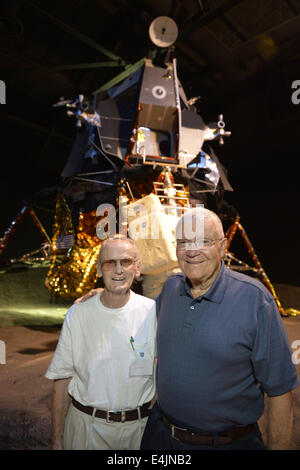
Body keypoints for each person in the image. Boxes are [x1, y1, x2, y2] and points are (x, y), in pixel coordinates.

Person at [140, 207, 299, 450]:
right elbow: (140, 320)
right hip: (161, 438)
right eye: (184, 242)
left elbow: (279, 391)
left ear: (223, 246)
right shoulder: (170, 289)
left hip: (226, 444)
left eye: (203, 241)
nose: (192, 251)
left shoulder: (255, 300)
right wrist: (107, 295)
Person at [45, 236, 157, 450]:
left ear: (138, 267)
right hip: (86, 431)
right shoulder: (78, 315)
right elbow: (62, 380)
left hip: (139, 434)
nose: (118, 270)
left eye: (126, 262)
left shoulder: (153, 312)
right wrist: (57, 438)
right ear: (98, 269)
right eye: (109, 263)